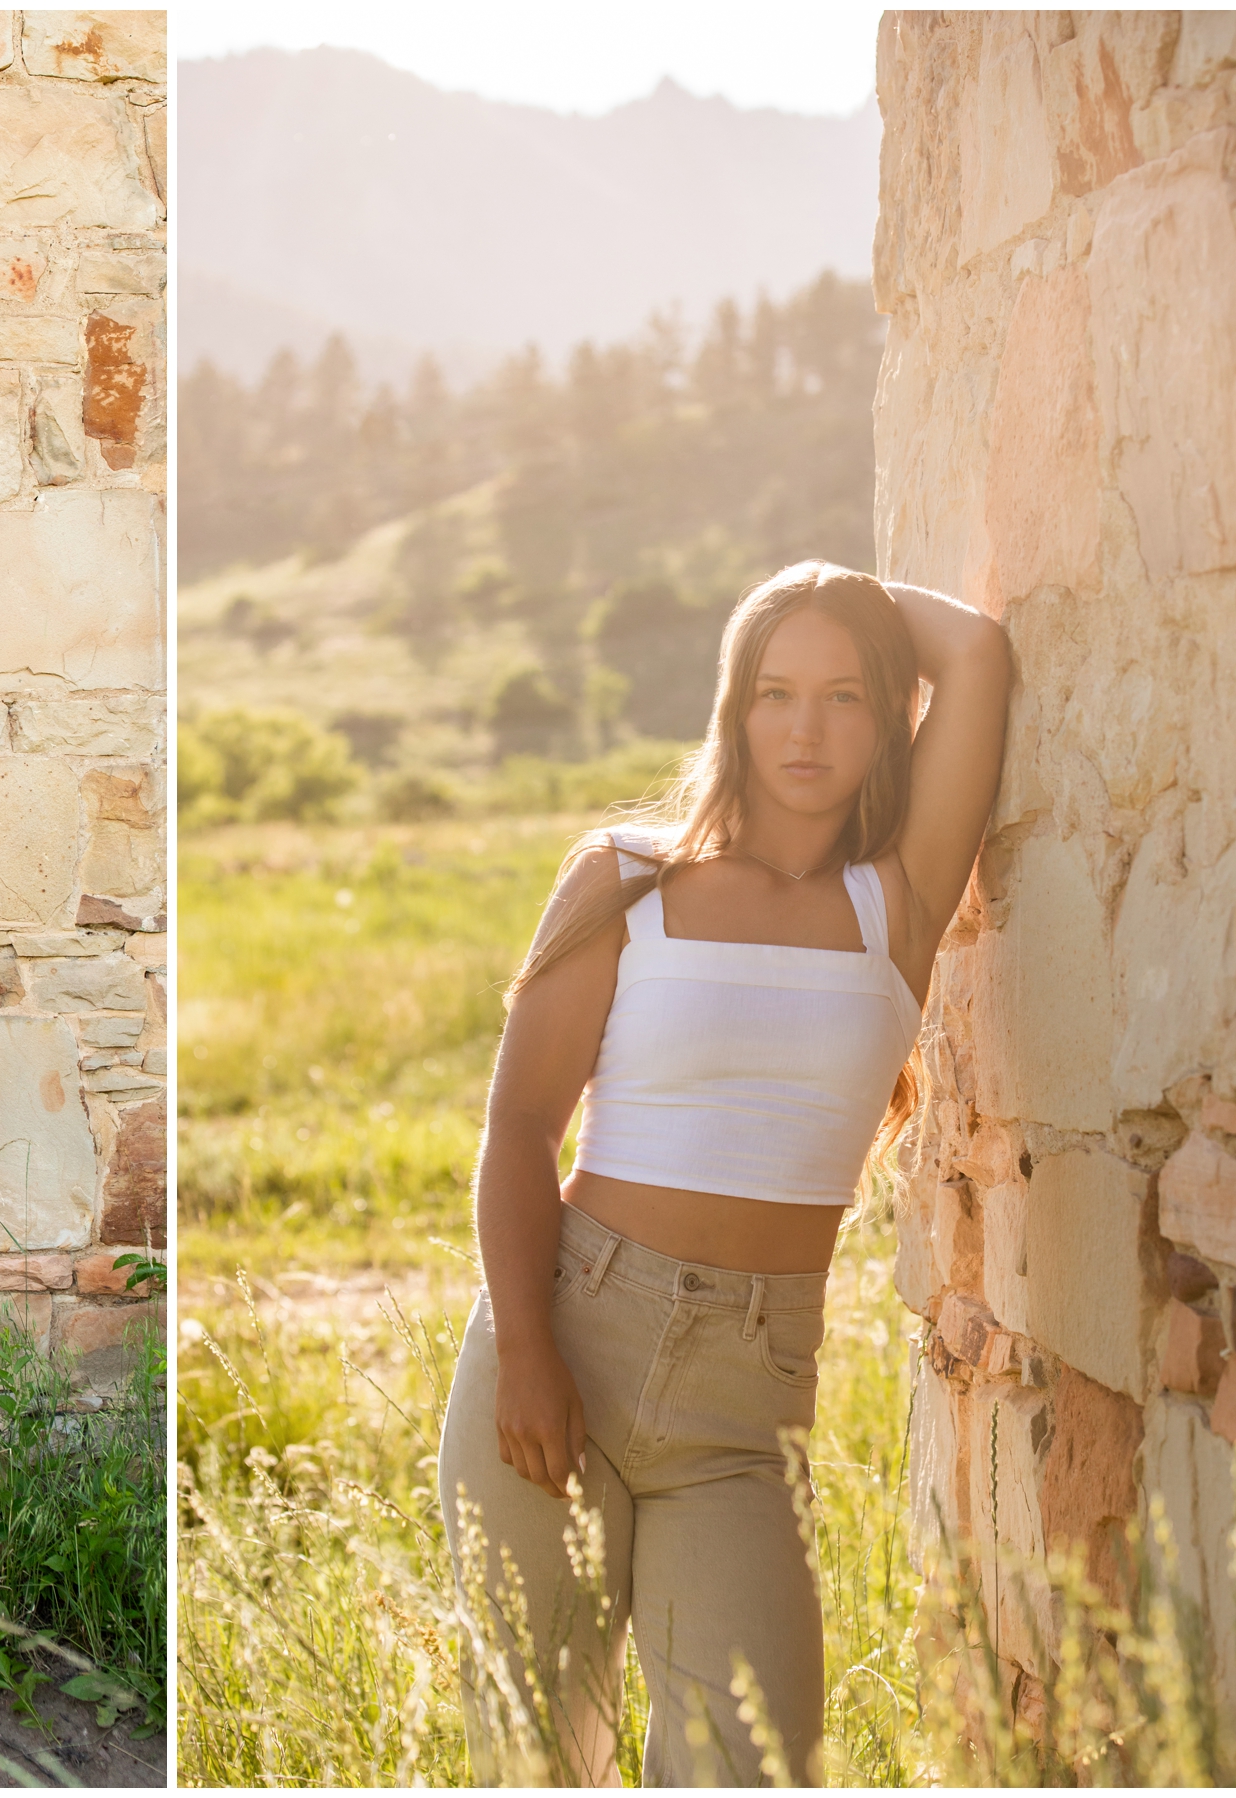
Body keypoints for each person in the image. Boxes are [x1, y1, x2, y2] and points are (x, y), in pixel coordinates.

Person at [434, 561, 1008, 1784]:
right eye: (776, 690)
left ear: (886, 719)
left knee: (755, 1762)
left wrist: (835, 589)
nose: (806, 730)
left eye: (847, 696)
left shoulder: (894, 904)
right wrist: (527, 1353)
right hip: (569, 1333)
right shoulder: (628, 877)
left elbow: (979, 654)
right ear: (732, 707)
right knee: (539, 1760)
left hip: (747, 1401)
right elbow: (521, 1124)